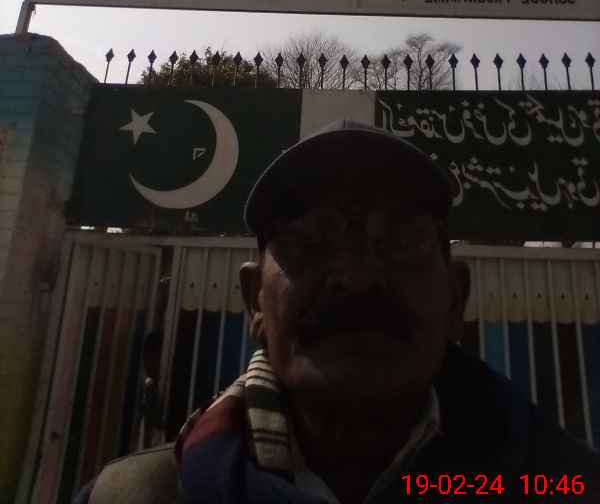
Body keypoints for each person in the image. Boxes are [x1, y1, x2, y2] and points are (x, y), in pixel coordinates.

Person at [74, 120, 600, 503]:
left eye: (400, 242)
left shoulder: (571, 483)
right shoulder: (131, 496)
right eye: (309, 242)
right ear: (254, 300)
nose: (356, 278)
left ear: (455, 299)